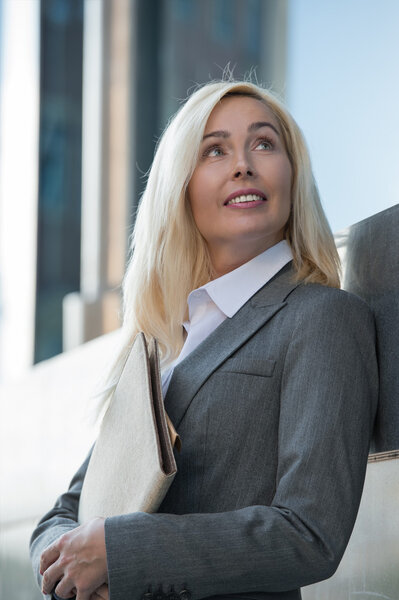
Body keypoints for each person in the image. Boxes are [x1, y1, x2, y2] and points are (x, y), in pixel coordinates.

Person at [30, 79, 378, 600]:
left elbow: (311, 534)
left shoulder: (324, 318)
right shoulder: (162, 347)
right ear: (181, 186)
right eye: (215, 149)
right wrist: (71, 567)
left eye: (264, 143)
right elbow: (63, 513)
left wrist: (120, 553)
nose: (244, 163)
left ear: (292, 176)